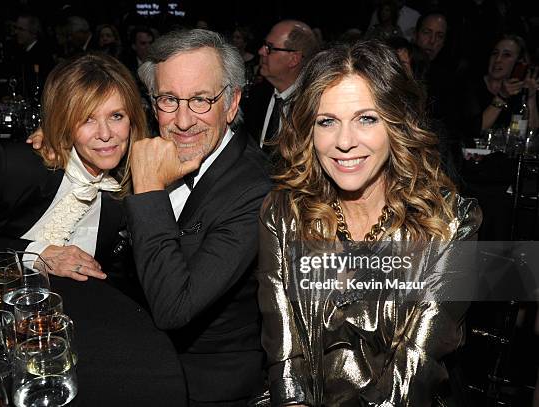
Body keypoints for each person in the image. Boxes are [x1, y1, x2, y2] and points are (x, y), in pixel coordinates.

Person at [256, 40, 482, 405]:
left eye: (366, 119)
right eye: (327, 122)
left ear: (397, 123)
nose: (344, 142)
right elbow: (285, 357)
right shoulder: (283, 213)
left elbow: (415, 368)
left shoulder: (452, 223)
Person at [125, 29, 271, 405]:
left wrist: (148, 189)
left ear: (232, 102)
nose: (183, 121)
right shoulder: (153, 150)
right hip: (143, 353)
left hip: (204, 386)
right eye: (169, 99)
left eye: (201, 100)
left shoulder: (255, 187)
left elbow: (175, 307)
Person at [0, 53, 147, 281]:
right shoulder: (15, 167)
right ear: (63, 120)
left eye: (117, 116)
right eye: (87, 119)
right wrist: (34, 254)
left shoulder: (136, 181)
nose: (105, 134)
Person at [242, 20, 318, 156]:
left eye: (269, 48)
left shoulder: (314, 109)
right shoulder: (256, 95)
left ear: (294, 59)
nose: (260, 51)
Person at [461, 34, 538, 135]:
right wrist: (501, 97)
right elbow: (472, 131)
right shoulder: (469, 85)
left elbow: (532, 135)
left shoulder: (519, 91)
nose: (497, 60)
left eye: (506, 55)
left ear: (520, 62)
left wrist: (531, 97)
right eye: (495, 53)